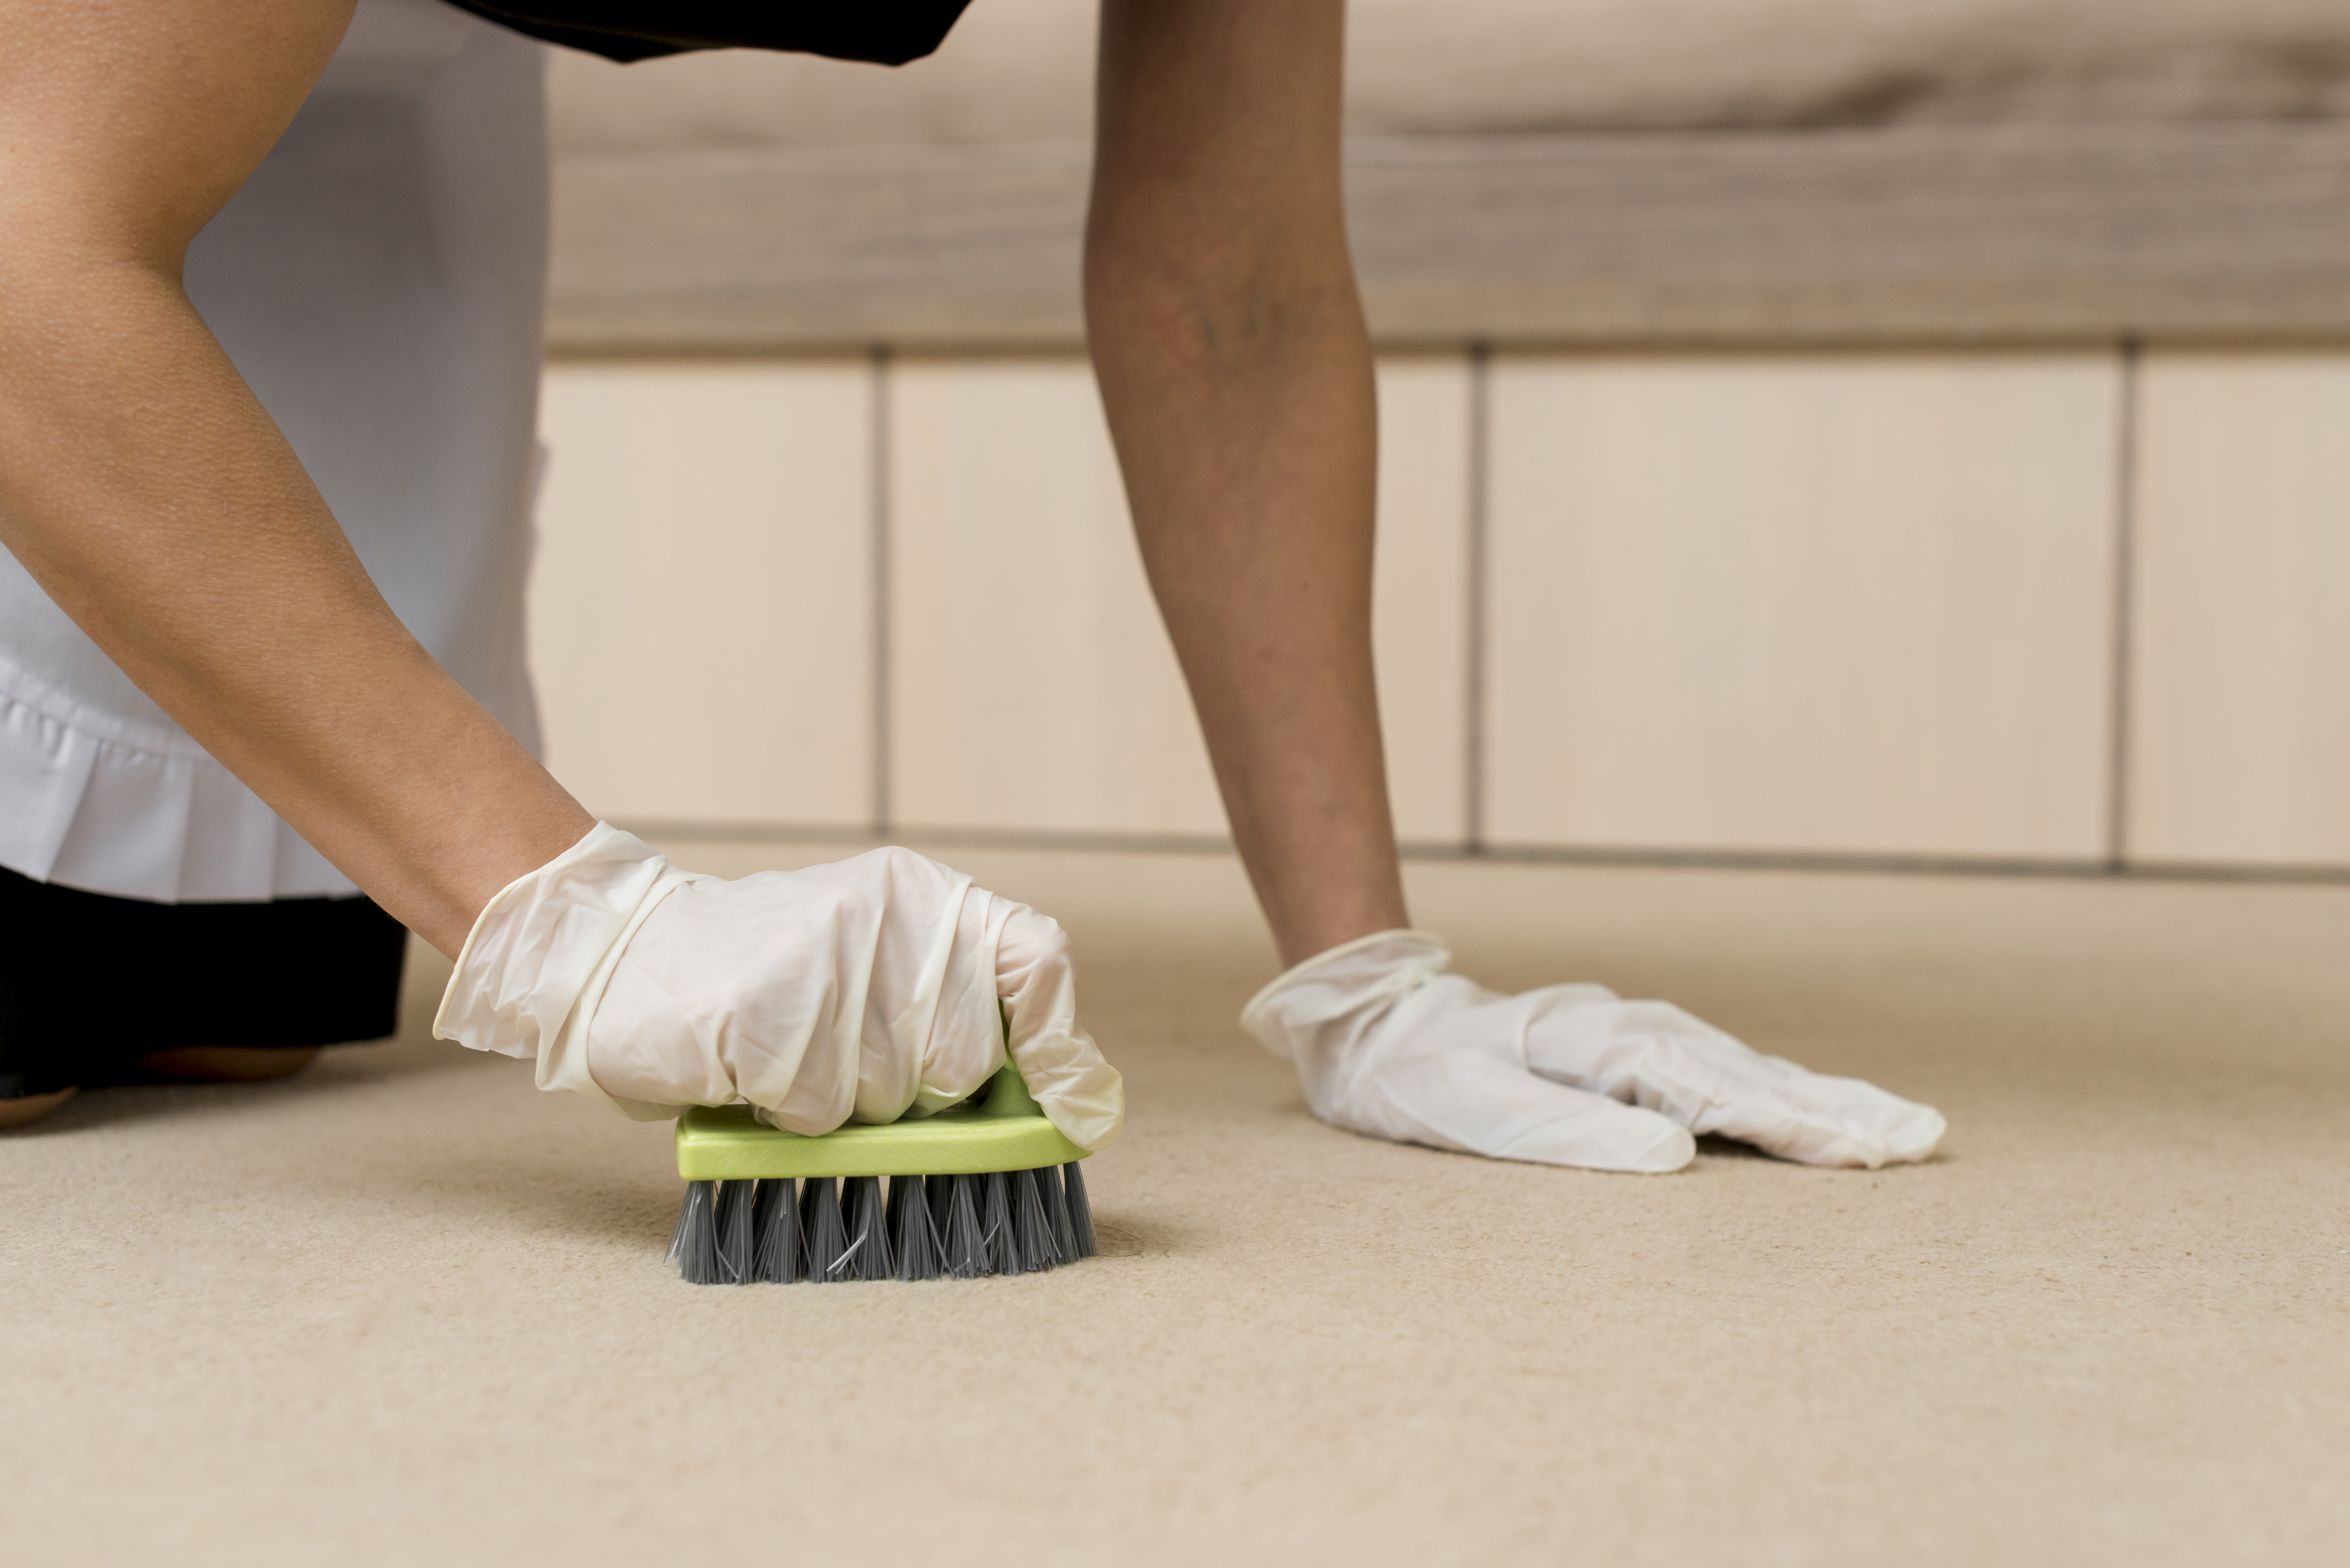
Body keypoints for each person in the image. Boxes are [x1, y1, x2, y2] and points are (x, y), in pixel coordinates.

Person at [0, 0, 1943, 1172]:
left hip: (321, 84)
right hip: (59, 165)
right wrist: (574, 924)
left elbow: (1234, 288)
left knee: (246, 1008)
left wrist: (1366, 976)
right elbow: (21, 257)